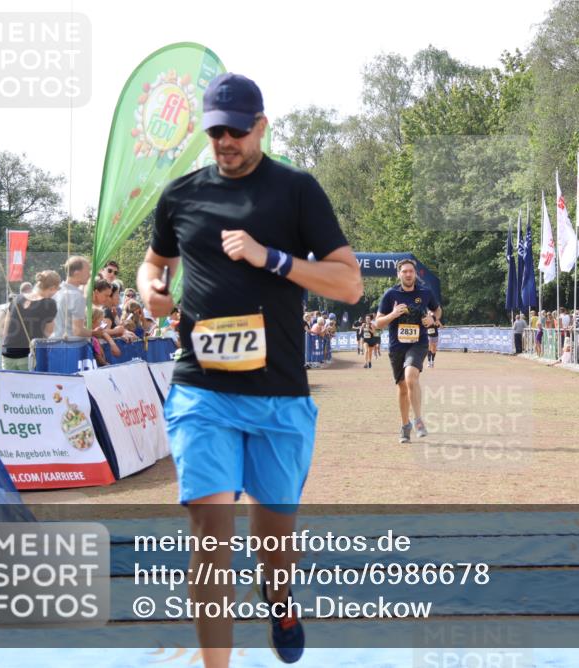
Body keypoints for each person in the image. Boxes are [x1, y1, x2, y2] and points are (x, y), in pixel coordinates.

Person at [136, 72, 361, 668]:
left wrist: (274, 259)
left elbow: (349, 284)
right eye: (216, 132)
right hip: (201, 390)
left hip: (279, 395)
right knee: (210, 539)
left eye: (237, 131)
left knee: (273, 546)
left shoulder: (296, 191)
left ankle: (279, 597)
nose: (226, 142)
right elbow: (153, 263)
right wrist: (152, 289)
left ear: (261, 126)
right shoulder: (181, 196)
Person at [375, 259, 441, 443]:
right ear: (399, 274)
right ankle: (405, 426)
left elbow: (437, 310)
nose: (408, 274)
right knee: (403, 388)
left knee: (411, 377)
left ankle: (418, 420)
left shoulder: (425, 292)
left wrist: (433, 318)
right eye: (404, 271)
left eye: (411, 271)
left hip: (418, 344)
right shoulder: (390, 294)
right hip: (397, 347)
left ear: (415, 273)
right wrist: (393, 314)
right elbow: (378, 323)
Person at [1, 270, 61, 371]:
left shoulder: (17, 298)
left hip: (7, 353)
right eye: (56, 289)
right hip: (28, 356)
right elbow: (48, 333)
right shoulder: (50, 303)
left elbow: (6, 328)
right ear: (52, 288)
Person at [53, 256, 94, 338]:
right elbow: (78, 331)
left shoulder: (55, 291)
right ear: (77, 273)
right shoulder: (77, 296)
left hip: (53, 342)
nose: (90, 275)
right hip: (70, 344)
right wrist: (96, 333)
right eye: (87, 272)